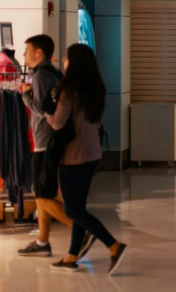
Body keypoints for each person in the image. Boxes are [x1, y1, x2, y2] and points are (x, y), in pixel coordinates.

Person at [43, 44, 128, 274]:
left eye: (67, 58)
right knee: (78, 206)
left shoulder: (68, 90)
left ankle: (114, 245)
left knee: (72, 211)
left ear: (75, 62)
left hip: (73, 155)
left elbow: (58, 123)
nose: (63, 60)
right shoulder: (96, 88)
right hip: (92, 154)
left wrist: (45, 113)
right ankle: (71, 256)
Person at [17, 35, 73, 258]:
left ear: (39, 52)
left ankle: (82, 229)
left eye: (27, 50)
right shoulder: (54, 73)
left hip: (44, 142)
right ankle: (42, 241)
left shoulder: (40, 76)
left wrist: (25, 97)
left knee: (41, 196)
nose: (24, 54)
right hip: (52, 140)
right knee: (44, 193)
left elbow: (44, 111)